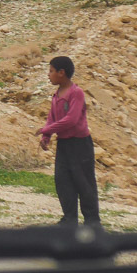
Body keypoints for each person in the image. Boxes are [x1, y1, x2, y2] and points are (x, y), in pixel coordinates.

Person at [38, 56, 100, 226]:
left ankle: (92, 222)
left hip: (80, 144)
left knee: (84, 182)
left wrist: (46, 130)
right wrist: (46, 137)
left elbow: (71, 120)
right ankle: (70, 219)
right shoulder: (56, 95)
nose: (48, 75)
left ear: (61, 73)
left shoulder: (76, 93)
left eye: (51, 71)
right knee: (63, 181)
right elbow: (52, 117)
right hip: (64, 144)